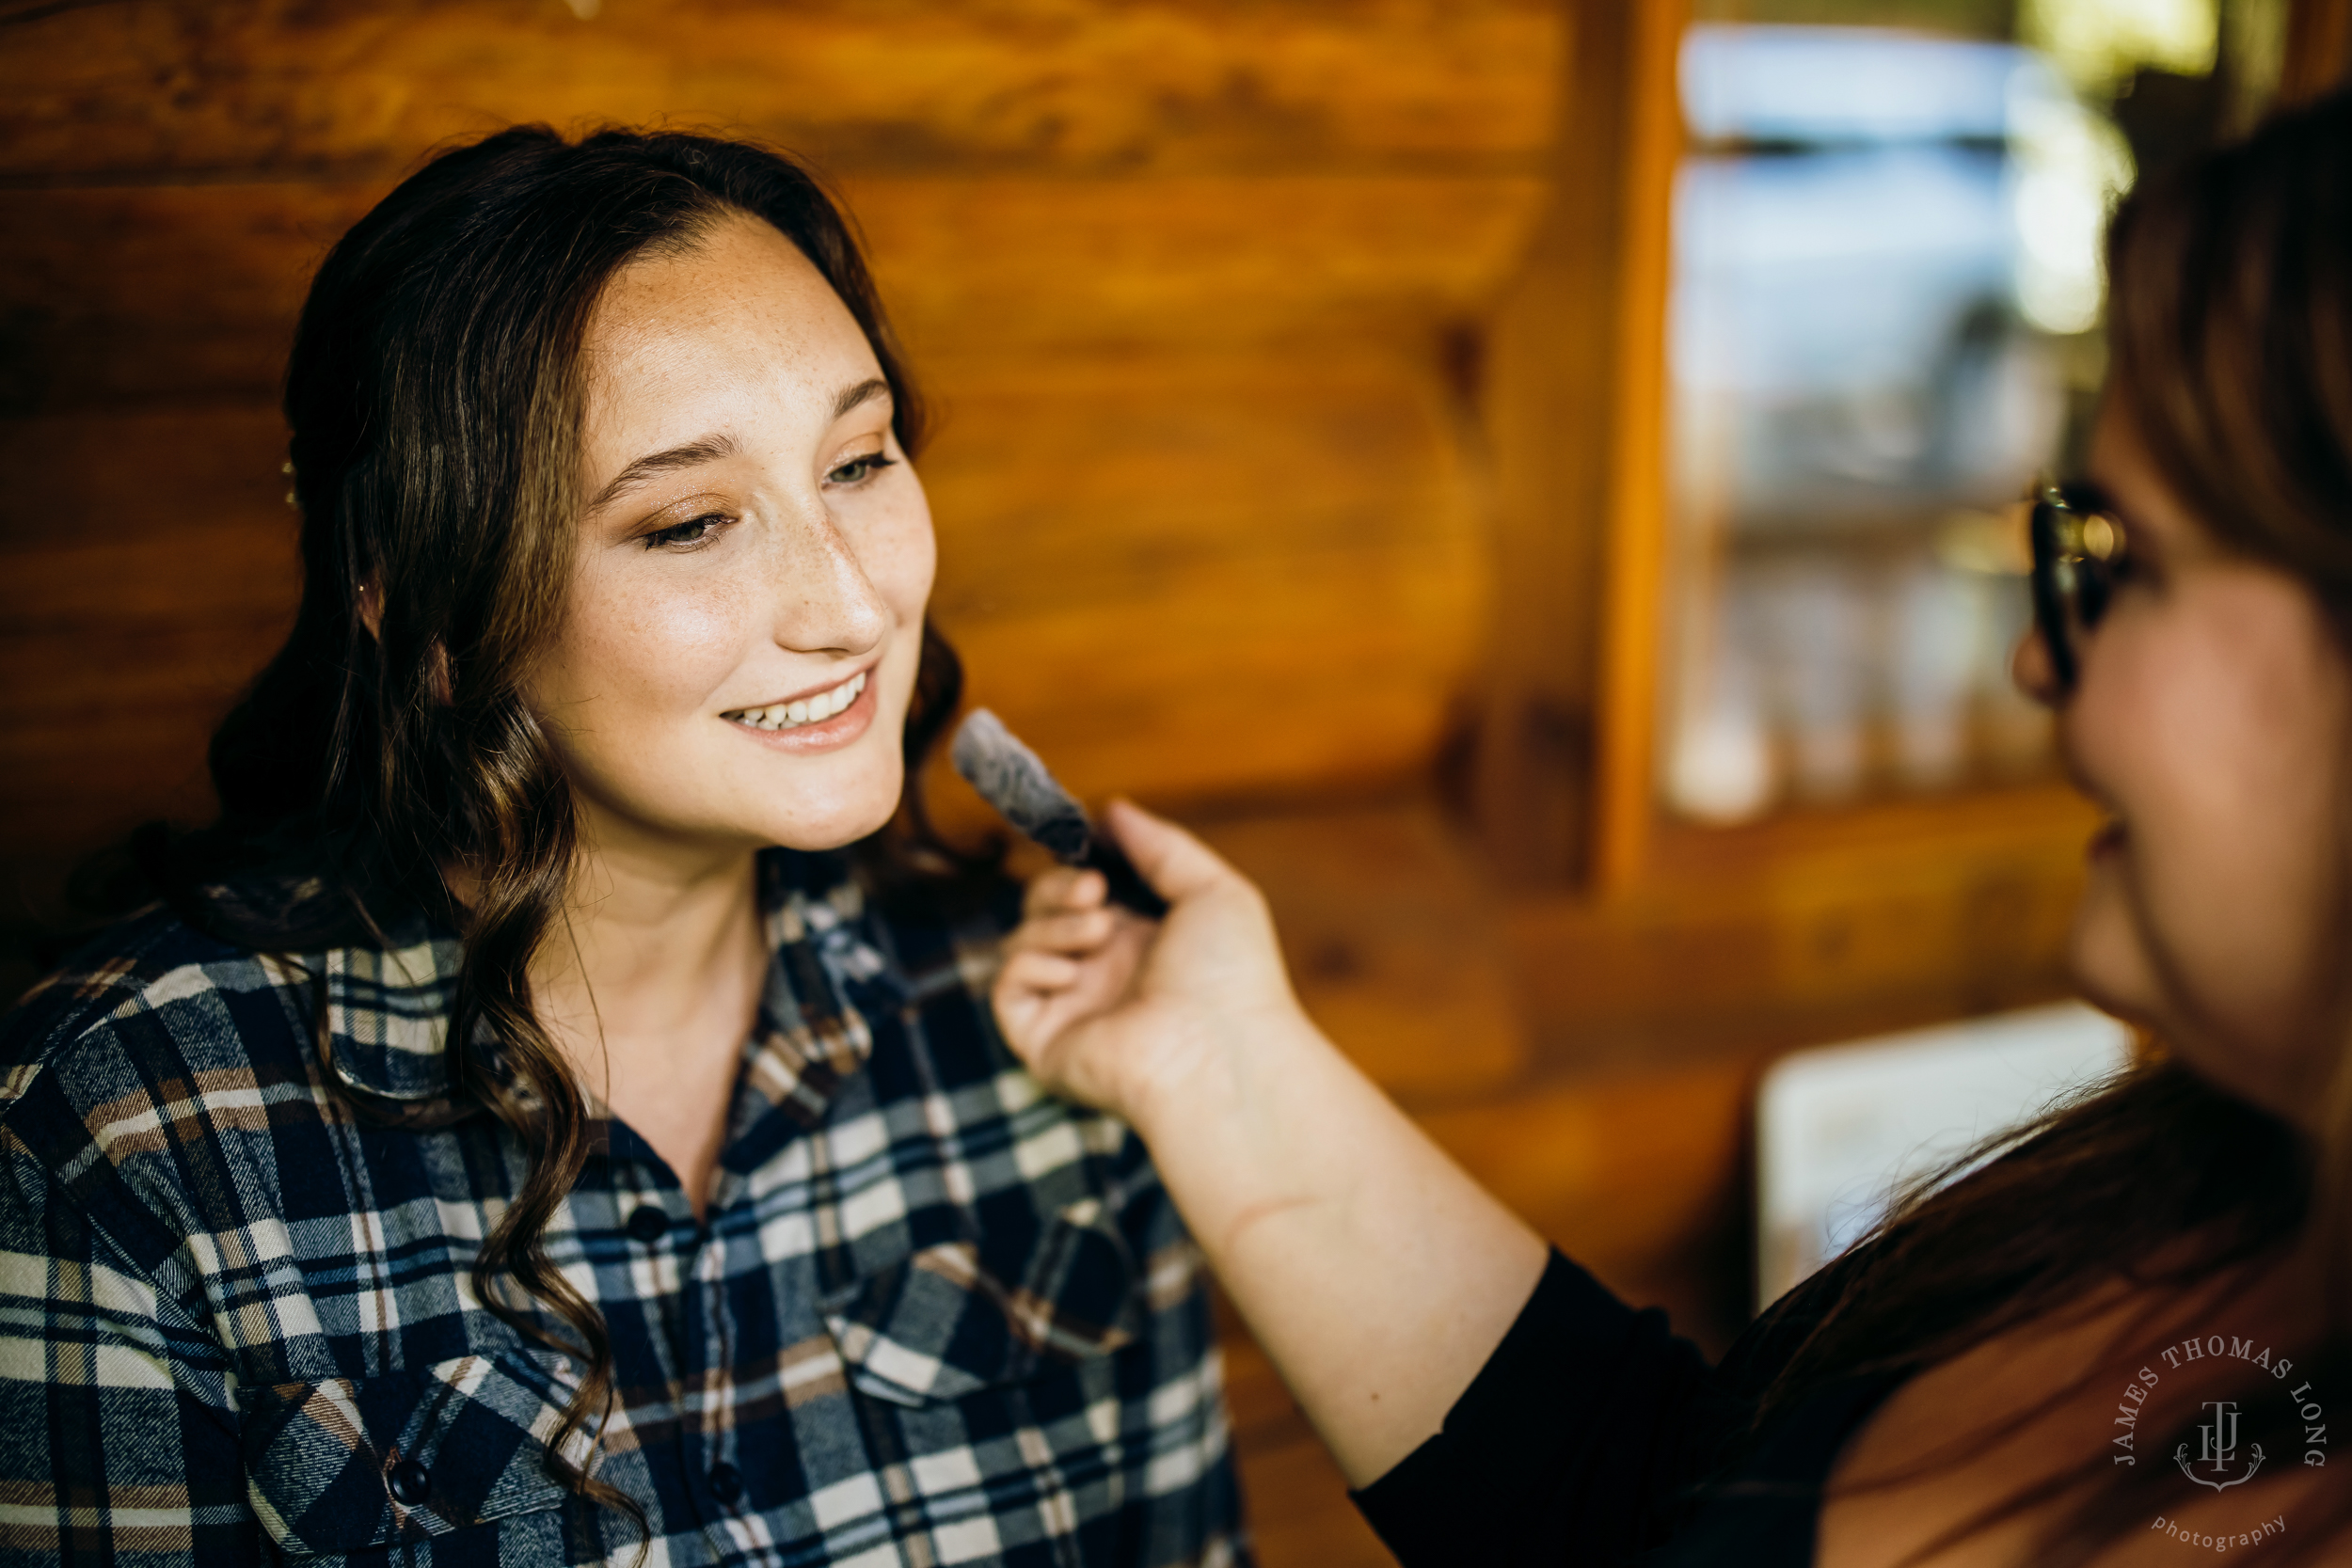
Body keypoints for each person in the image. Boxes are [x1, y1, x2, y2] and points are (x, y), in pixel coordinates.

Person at [994, 90, 2352, 1568]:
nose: (2038, 658)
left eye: (2122, 562)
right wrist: (1225, 1065)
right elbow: (1660, 1511)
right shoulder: (2191, 1196)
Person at [0, 128, 1243, 1565]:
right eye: (690, 522)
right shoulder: (125, 1141)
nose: (847, 603)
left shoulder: (1052, 1017)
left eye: (858, 458)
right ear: (435, 619)